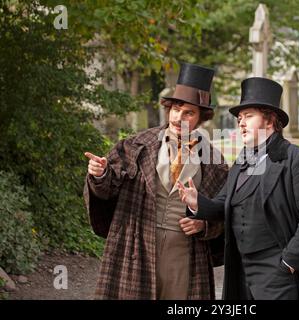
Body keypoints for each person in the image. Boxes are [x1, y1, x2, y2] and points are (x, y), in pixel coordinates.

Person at [83, 62, 228, 299]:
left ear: (201, 118)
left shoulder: (215, 162)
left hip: (186, 253)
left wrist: (204, 225)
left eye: (189, 113)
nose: (179, 117)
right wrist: (99, 174)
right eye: (176, 109)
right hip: (137, 245)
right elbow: (108, 188)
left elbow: (223, 211)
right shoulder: (136, 145)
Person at [178, 77, 299, 300]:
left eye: (248, 116)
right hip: (241, 268)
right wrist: (197, 203)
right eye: (240, 118)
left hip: (279, 271)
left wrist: (289, 261)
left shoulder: (296, 158)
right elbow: (223, 204)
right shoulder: (242, 160)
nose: (241, 123)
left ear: (269, 120)